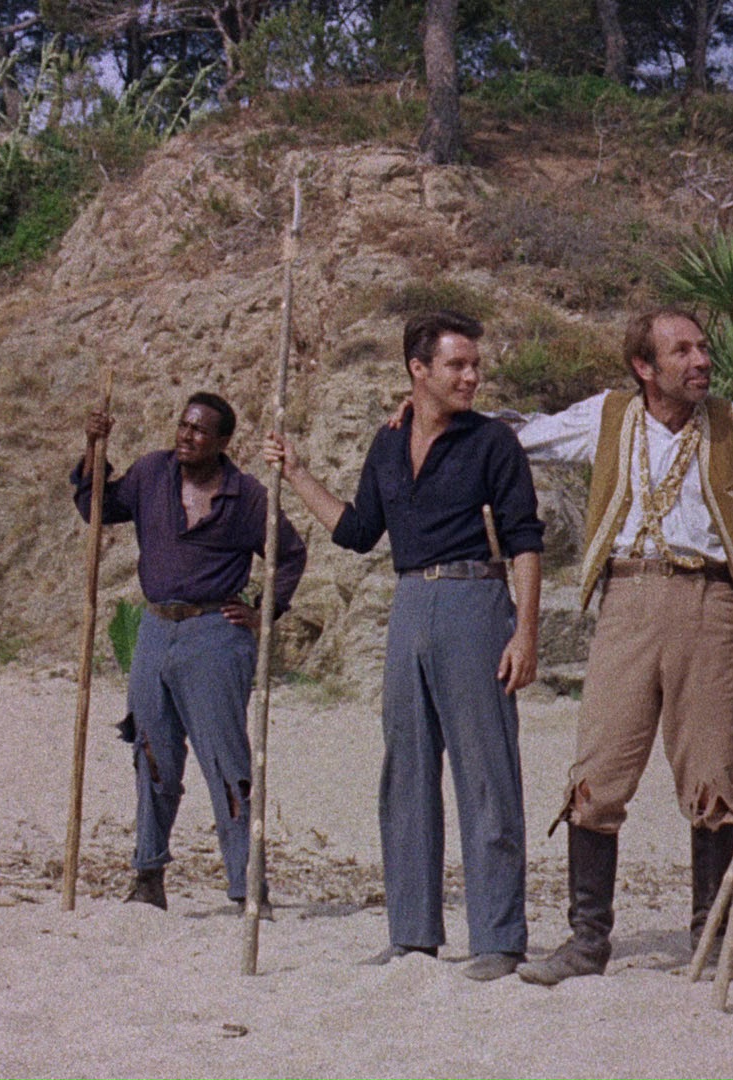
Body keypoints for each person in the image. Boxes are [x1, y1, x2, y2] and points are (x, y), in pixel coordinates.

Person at [504, 308, 733, 986]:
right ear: (644, 367)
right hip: (626, 600)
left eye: (703, 348)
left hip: (708, 604)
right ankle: (587, 942)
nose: (701, 360)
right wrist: (437, 419)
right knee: (597, 773)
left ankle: (709, 936)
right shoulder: (608, 416)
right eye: (682, 351)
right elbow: (523, 438)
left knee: (710, 778)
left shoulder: (730, 424)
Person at [261, 311, 545, 982]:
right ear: (419, 370)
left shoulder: (493, 442)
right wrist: (297, 474)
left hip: (476, 600)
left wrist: (526, 633)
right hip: (409, 602)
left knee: (487, 773)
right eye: (457, 365)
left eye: (475, 365)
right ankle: (412, 935)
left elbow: (526, 542)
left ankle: (498, 938)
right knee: (406, 771)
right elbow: (358, 531)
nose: (471, 376)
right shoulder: (388, 443)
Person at [74, 391, 307, 915]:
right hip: (155, 631)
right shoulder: (150, 474)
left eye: (200, 430)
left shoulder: (246, 497)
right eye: (183, 425)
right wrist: (93, 446)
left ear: (223, 442)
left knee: (226, 762)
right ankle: (148, 876)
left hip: (215, 636)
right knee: (152, 755)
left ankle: (248, 887)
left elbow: (290, 554)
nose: (186, 436)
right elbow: (96, 506)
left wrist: (264, 611)